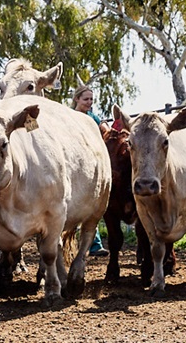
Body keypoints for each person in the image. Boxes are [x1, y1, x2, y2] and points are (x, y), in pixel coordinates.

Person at [72, 84, 111, 257]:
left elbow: (105, 129)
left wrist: (108, 130)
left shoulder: (92, 117)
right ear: (77, 99)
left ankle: (94, 245)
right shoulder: (69, 116)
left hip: (90, 164)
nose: (89, 102)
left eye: (91, 100)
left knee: (91, 204)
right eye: (86, 99)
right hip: (73, 162)